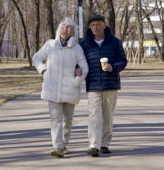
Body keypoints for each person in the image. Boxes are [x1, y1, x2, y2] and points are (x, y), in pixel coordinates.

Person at [32, 18, 88, 158]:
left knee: (67, 121)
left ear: (73, 31)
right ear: (59, 29)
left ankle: (64, 143)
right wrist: (43, 71)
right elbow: (36, 58)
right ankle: (57, 147)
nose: (66, 28)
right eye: (64, 25)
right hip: (52, 88)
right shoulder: (50, 45)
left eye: (69, 27)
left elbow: (84, 67)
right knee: (55, 119)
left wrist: (78, 78)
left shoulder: (77, 48)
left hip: (70, 88)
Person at [79, 14, 127, 157]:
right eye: (93, 25)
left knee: (107, 116)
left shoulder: (114, 42)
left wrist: (113, 67)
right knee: (94, 115)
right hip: (93, 85)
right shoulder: (84, 44)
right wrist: (77, 69)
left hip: (110, 84)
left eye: (98, 24)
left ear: (105, 25)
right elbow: (78, 62)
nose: (96, 27)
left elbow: (123, 61)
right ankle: (93, 145)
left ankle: (105, 144)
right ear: (90, 27)